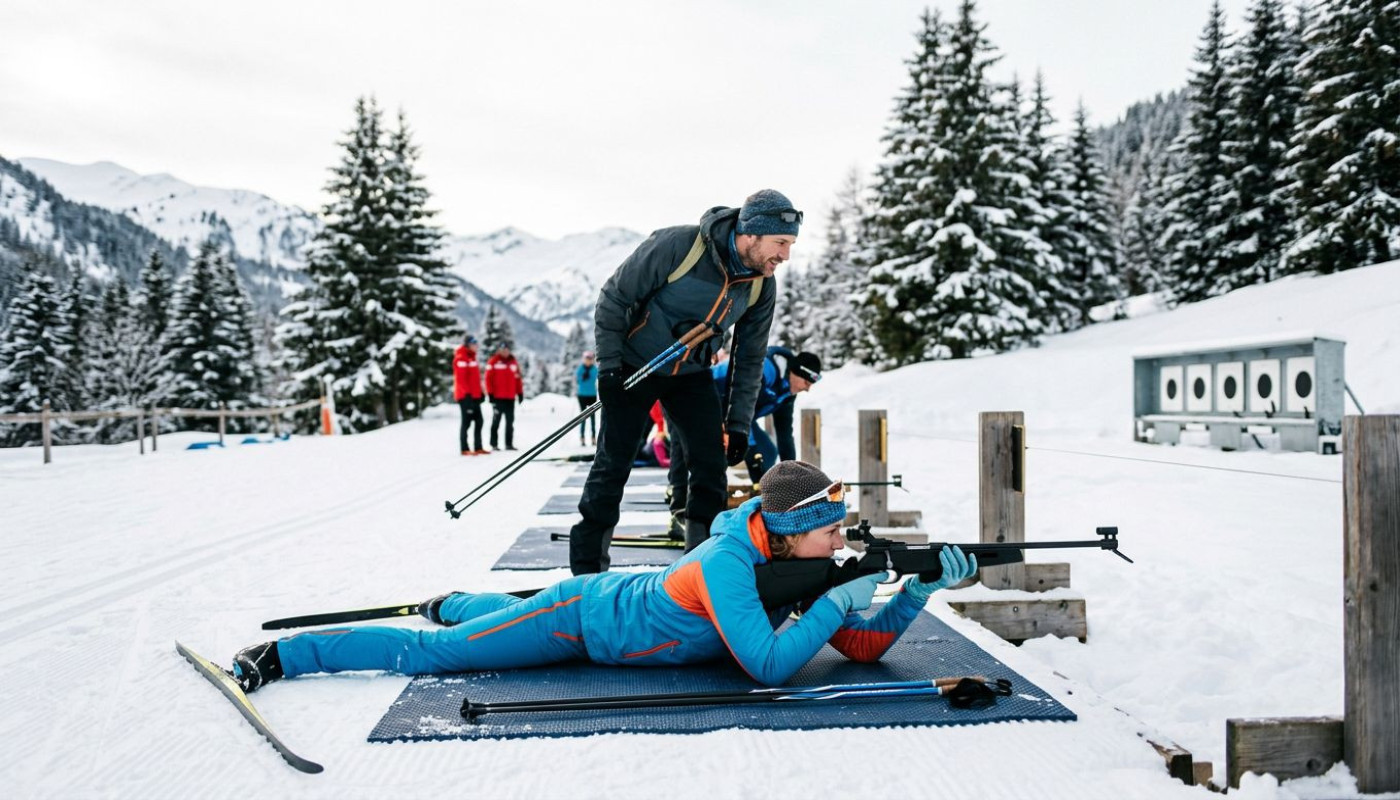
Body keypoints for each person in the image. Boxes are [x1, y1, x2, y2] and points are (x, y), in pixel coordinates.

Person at [225, 461, 979, 692]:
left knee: (479, 621)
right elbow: (770, 667)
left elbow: (861, 651)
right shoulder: (727, 563)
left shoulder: (800, 569)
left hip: (602, 634)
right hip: (579, 618)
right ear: (788, 533)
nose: (840, 541)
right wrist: (841, 597)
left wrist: (912, 593)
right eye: (831, 531)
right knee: (436, 658)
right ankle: (292, 656)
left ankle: (451, 601)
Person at [571, 189, 802, 573]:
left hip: (689, 373)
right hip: (634, 366)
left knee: (711, 465)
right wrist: (609, 370)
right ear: (750, 233)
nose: (785, 255)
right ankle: (587, 571)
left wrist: (739, 425)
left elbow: (749, 358)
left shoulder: (761, 284)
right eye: (780, 243)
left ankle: (702, 570)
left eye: (791, 244)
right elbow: (613, 299)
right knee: (613, 464)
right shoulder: (679, 246)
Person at [669, 347, 821, 528]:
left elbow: (785, 435)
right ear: (795, 373)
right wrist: (750, 453)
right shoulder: (767, 372)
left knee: (767, 453)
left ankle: (756, 512)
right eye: (806, 382)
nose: (808, 389)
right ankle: (679, 510)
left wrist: (793, 473)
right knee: (691, 446)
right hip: (701, 396)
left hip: (738, 414)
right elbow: (738, 409)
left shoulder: (787, 393)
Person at [485, 343, 524, 451]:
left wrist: (520, 393)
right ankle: (494, 444)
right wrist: (490, 394)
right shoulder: (493, 361)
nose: (505, 352)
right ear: (499, 350)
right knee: (496, 421)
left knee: (510, 422)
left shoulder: (513, 362)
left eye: (507, 349)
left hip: (510, 397)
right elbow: (488, 378)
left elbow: (518, 379)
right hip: (498, 397)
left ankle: (509, 444)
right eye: (503, 350)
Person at [453, 334, 486, 455]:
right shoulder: (461, 357)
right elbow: (461, 380)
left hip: (475, 396)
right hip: (465, 397)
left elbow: (475, 379)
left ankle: (478, 447)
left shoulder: (472, 358)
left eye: (476, 343)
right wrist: (467, 397)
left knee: (479, 421)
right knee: (466, 422)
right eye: (474, 343)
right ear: (468, 345)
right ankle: (464, 448)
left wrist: (480, 393)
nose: (476, 345)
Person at [575, 350, 598, 446]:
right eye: (587, 359)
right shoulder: (580, 369)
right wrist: (583, 376)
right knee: (583, 417)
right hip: (582, 395)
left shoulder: (594, 369)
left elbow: (595, 377)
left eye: (590, 359)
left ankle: (593, 437)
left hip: (592, 394)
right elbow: (578, 380)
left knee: (593, 418)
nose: (589, 361)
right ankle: (582, 437)